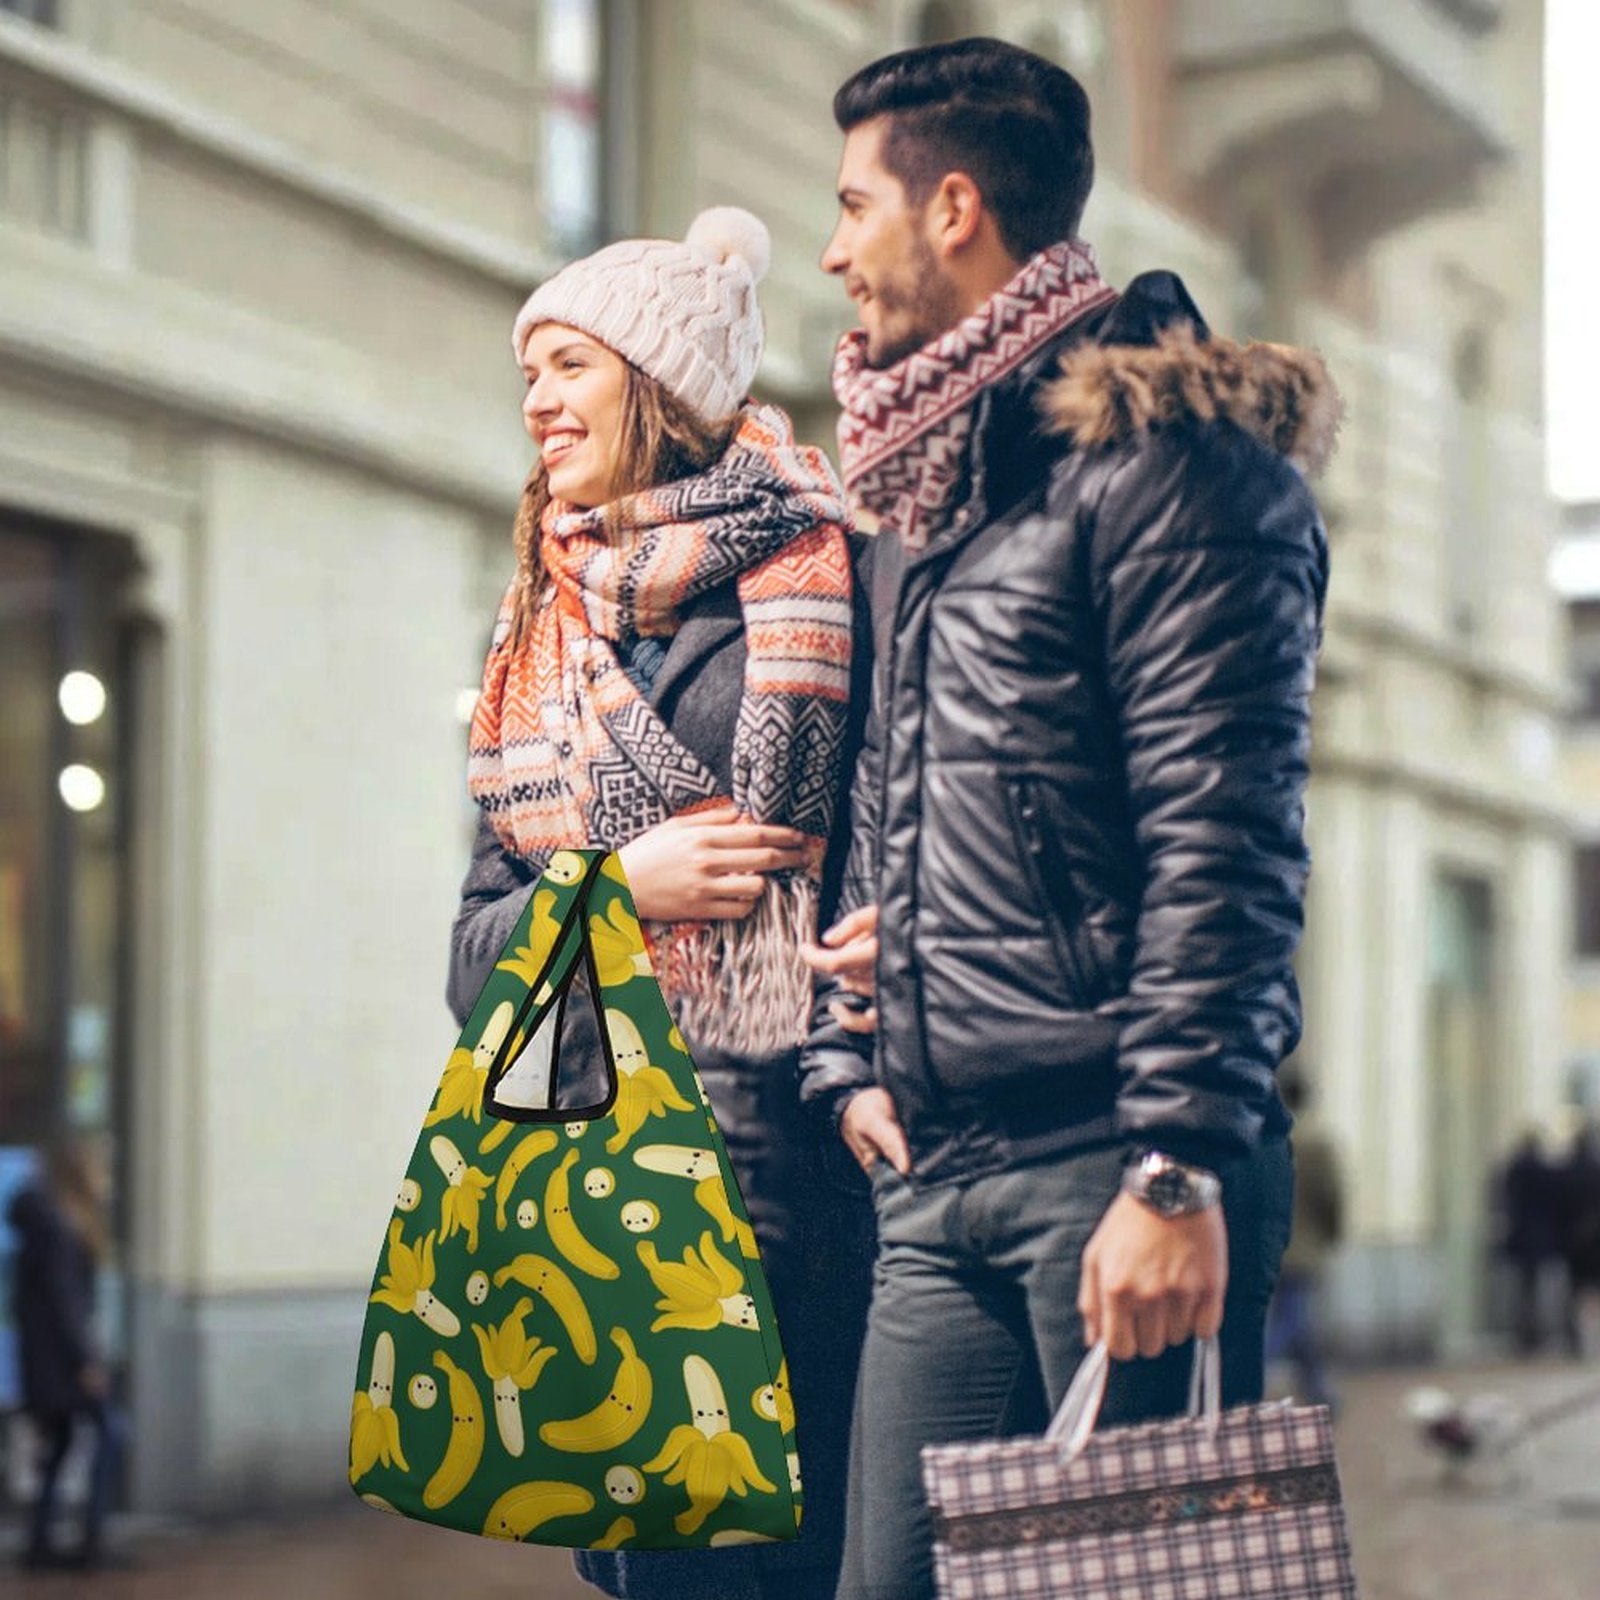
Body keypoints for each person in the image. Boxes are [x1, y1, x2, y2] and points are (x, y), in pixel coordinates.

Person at [796, 38, 1337, 1600]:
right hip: (939, 1177)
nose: (833, 250)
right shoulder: (933, 496)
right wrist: (849, 1051)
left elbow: (1223, 844)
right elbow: (904, 822)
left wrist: (1174, 1168)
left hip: (1113, 1164)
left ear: (952, 206)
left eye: (851, 207)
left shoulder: (1172, 471)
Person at [449, 206, 875, 1600]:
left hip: (797, 1172)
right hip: (604, 1182)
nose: (538, 402)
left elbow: (879, 854)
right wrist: (617, 890)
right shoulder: (535, 631)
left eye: (569, 366)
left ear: (661, 384)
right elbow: (471, 960)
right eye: (530, 375)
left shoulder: (821, 577)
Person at [7, 1134, 128, 1572]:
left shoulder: (51, 1222)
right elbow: (66, 1303)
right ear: (84, 1172)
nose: (107, 1180)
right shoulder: (59, 1227)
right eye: (102, 1168)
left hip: (47, 1359)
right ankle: (92, 1540)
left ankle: (41, 1542)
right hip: (62, 1363)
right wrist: (86, 1363)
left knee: (60, 1445)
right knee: (111, 1432)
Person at [1264, 1067, 1344, 1404]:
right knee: (1294, 1319)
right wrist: (1334, 1231)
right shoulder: (1316, 1141)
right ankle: (1260, 1369)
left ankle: (1318, 1388)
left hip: (1270, 1242)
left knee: (1294, 1317)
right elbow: (1331, 1193)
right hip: (1304, 1244)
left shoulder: (1265, 1136)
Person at [1496, 1128, 1563, 1355]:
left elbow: (1503, 1199)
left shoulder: (1514, 1169)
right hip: (1540, 1237)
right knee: (1533, 1286)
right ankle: (1533, 1332)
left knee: (1523, 1288)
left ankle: (1524, 1333)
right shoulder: (1545, 1170)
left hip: (1520, 1235)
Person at [1559, 1121, 1600, 1358]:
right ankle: (1591, 1337)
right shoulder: (1596, 1170)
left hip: (1573, 1240)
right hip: (1595, 1239)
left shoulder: (1567, 1171)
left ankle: (1576, 1338)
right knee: (1594, 1288)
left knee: (1575, 1289)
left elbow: (1559, 1207)